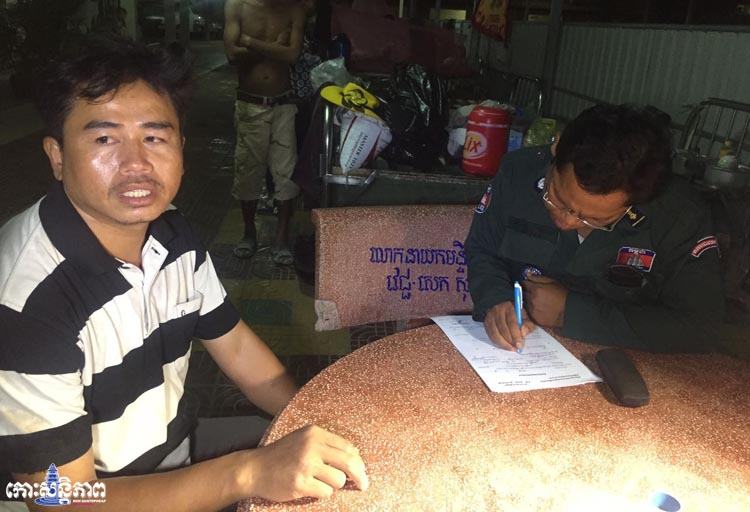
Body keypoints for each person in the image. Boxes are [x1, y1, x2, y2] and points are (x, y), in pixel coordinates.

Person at [0, 38, 367, 512]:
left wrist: (314, 423)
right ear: (57, 156)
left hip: (177, 456)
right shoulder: (26, 302)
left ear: (181, 148)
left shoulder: (172, 232)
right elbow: (61, 501)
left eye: (154, 137)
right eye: (104, 139)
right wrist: (249, 472)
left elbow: (235, 346)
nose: (136, 164)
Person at [465, 104, 724, 353]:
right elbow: (482, 249)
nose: (567, 222)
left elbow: (701, 326)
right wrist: (495, 299)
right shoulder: (518, 173)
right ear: (557, 147)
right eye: (557, 199)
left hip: (627, 363)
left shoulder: (678, 216)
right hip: (521, 351)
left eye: (594, 219)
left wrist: (571, 313)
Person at [224, 0, 306, 265]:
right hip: (250, 105)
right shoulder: (237, 5)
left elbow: (292, 55)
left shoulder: (294, 9)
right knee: (248, 171)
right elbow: (231, 55)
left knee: (286, 174)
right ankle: (249, 233)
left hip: (284, 104)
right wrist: (275, 47)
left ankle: (281, 239)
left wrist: (250, 42)